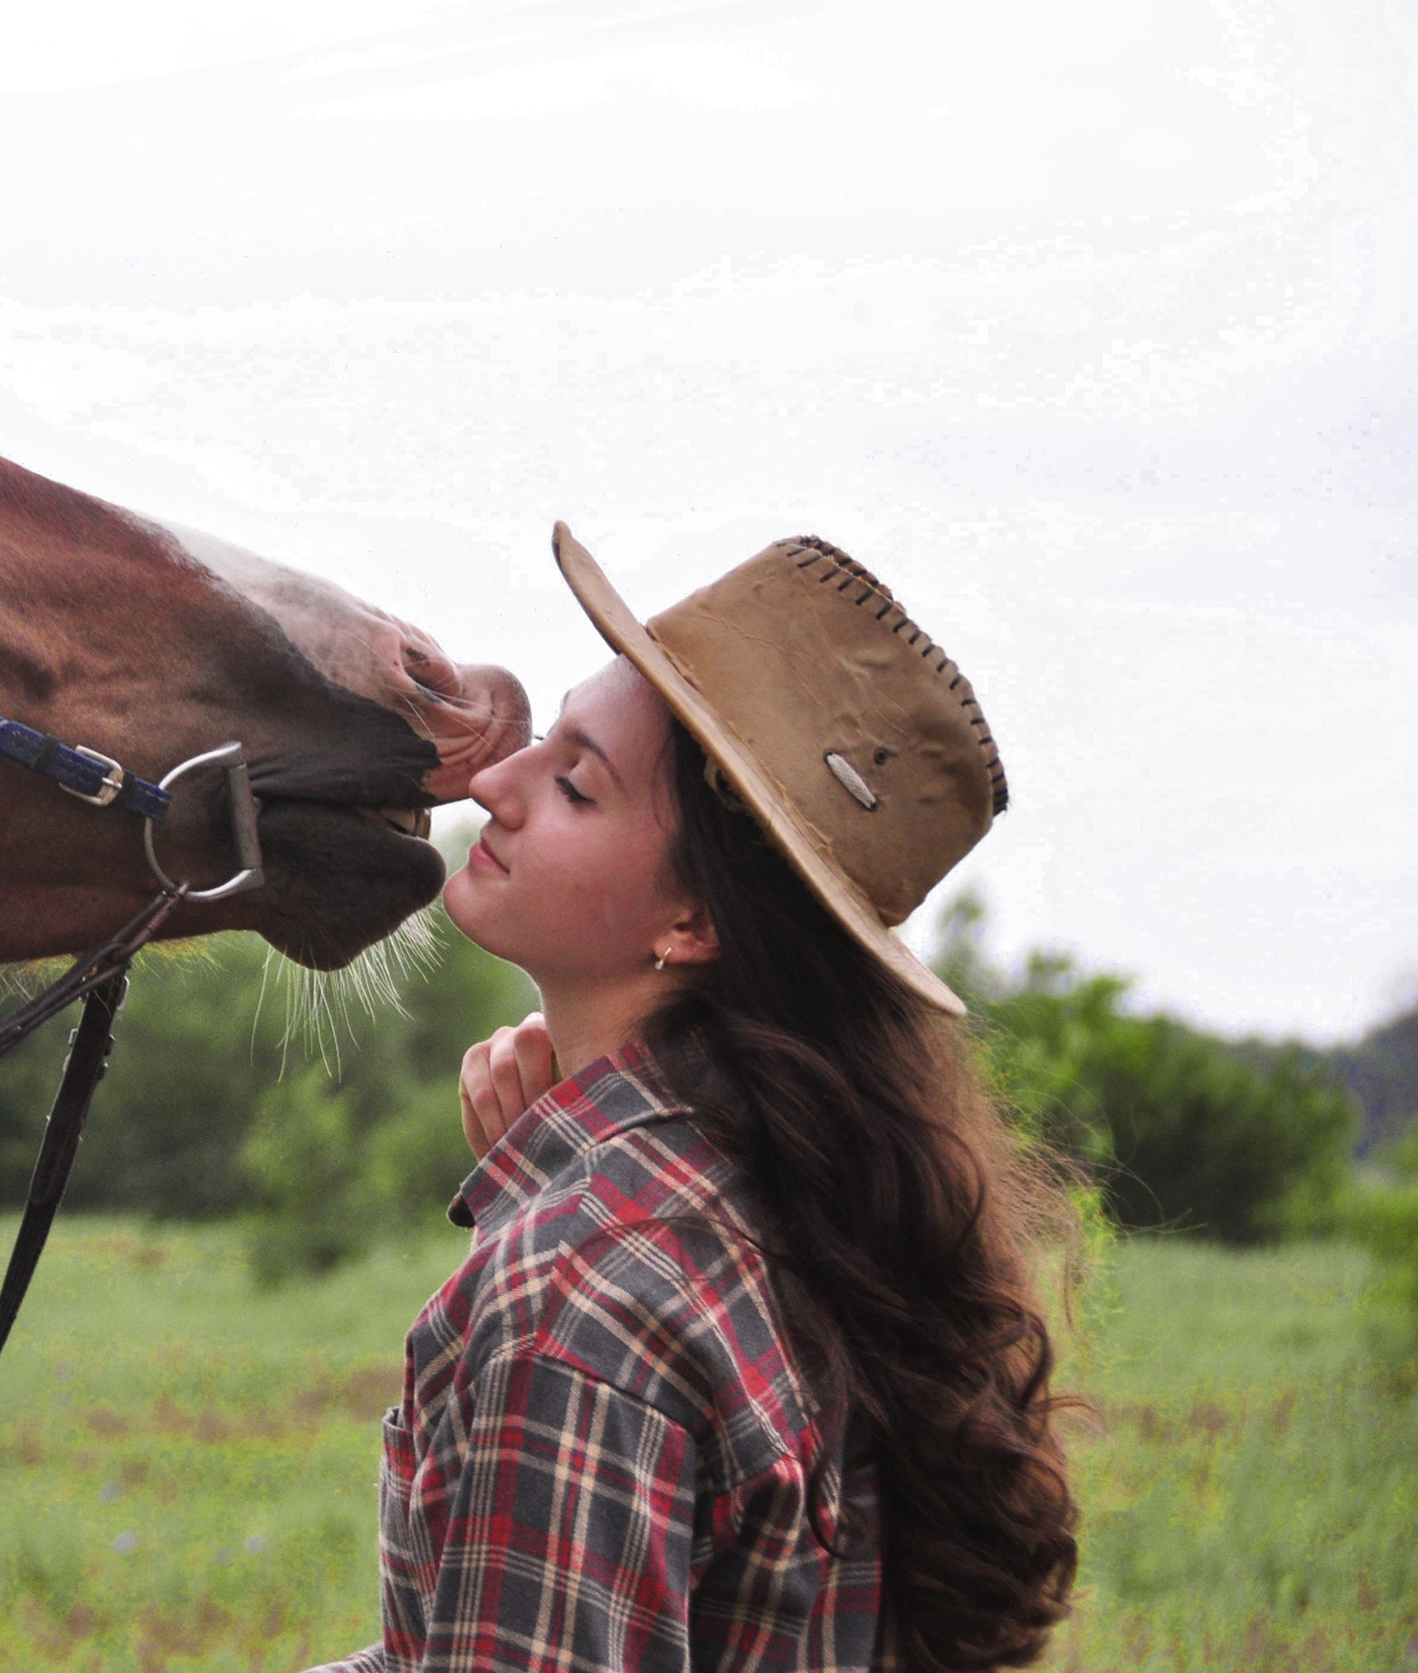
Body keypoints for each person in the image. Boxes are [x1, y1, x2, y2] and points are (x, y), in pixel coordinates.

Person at [315, 528, 1078, 1673]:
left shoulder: (579, 1293)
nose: (489, 783)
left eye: (574, 783)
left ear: (695, 925)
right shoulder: (807, 1205)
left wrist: (560, 1218)